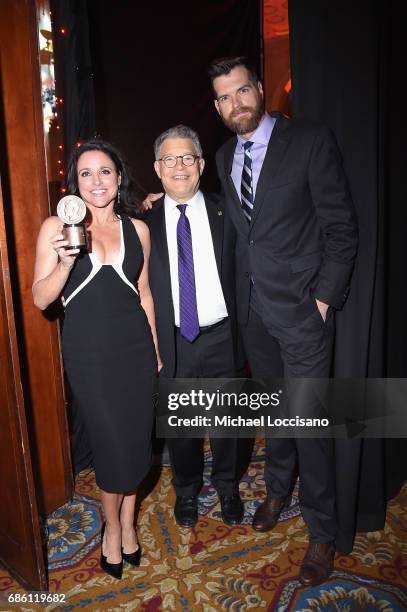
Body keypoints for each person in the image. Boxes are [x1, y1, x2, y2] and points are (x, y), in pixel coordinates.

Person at [208, 56, 358, 586]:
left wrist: (323, 299)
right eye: (224, 98)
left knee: (310, 422)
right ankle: (276, 488)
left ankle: (323, 531)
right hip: (253, 312)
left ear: (260, 89)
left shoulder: (310, 140)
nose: (235, 104)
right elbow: (240, 229)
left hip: (301, 311)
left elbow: (342, 227)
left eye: (242, 91)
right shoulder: (225, 155)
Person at [32, 140, 161, 580]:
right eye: (86, 173)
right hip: (89, 353)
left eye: (104, 171)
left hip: (135, 350)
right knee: (111, 445)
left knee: (136, 439)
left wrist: (157, 349)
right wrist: (66, 262)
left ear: (119, 177)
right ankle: (111, 527)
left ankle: (128, 523)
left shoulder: (138, 230)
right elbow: (40, 298)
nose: (96, 181)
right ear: (75, 182)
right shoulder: (56, 226)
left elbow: (144, 294)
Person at [145, 124, 244, 528]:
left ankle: (228, 487)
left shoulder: (230, 211)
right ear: (157, 168)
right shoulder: (141, 222)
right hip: (174, 340)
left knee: (228, 424)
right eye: (170, 158)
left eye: (187, 157)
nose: (179, 166)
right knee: (181, 427)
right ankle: (186, 491)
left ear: (201, 165)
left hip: (223, 334)